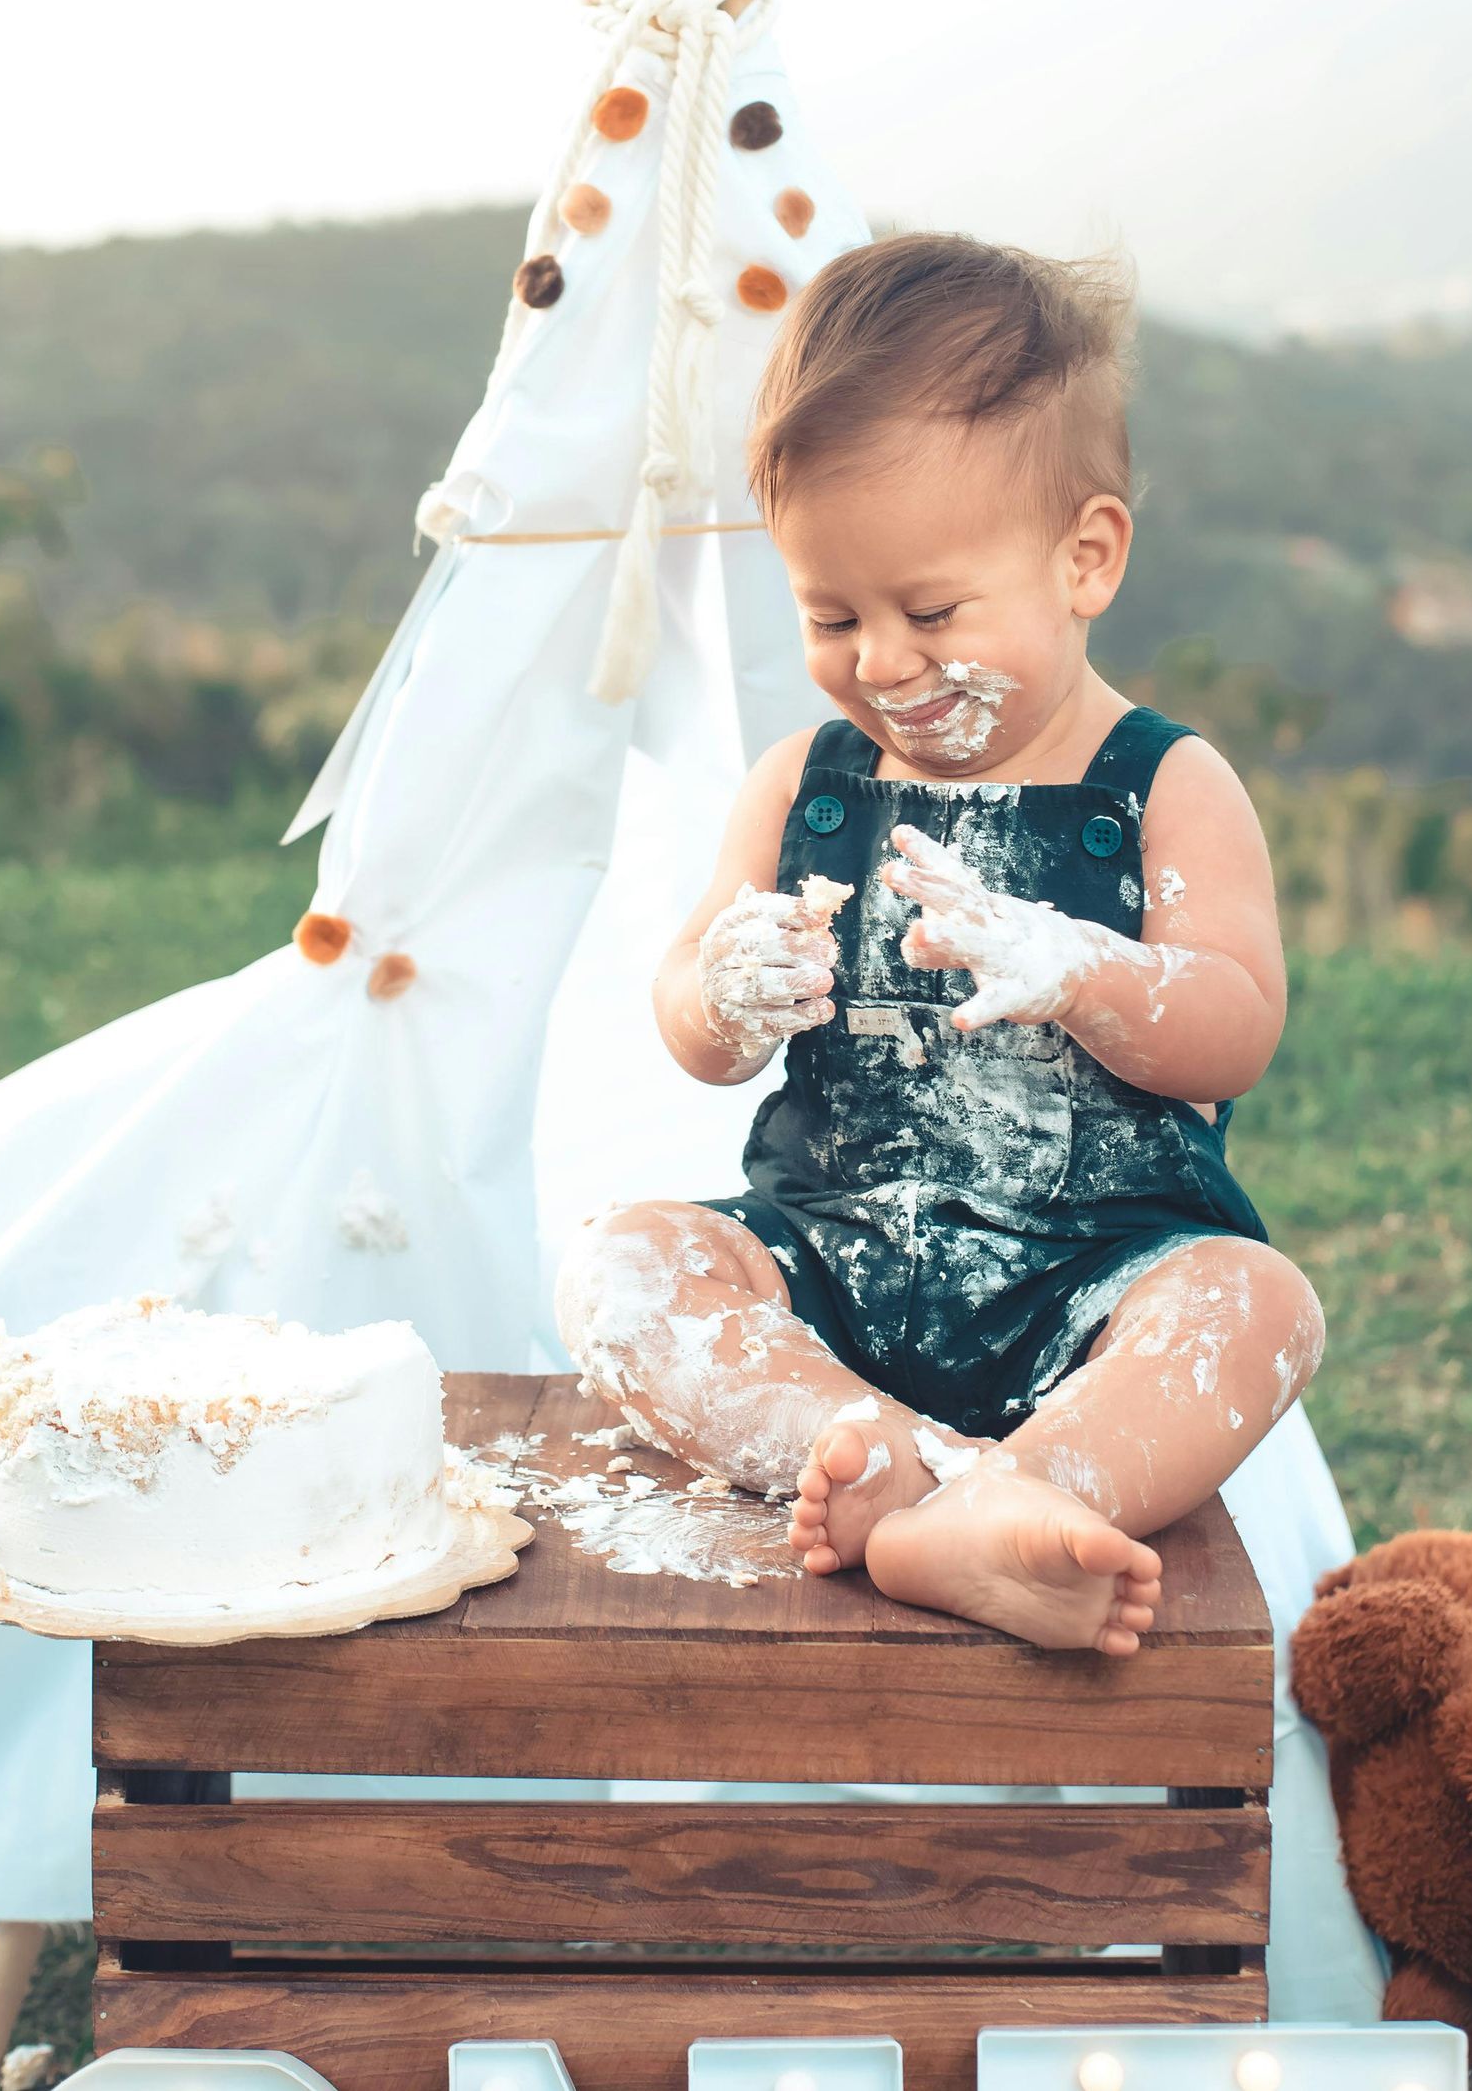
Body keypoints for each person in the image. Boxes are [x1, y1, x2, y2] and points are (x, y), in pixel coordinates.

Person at [556, 232, 1325, 1652]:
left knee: (1255, 1304)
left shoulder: (1163, 787)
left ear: (1085, 558)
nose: (884, 662)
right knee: (624, 1264)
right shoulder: (805, 789)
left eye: (932, 611)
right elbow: (692, 1027)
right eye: (831, 615)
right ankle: (880, 1463)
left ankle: (1030, 1486)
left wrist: (1083, 972)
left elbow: (1239, 1021)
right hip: (834, 1269)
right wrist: (728, 990)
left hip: (1088, 1286)